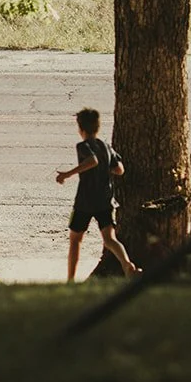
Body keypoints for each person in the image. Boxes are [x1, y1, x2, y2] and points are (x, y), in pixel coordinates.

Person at [55, 107, 137, 282]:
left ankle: (70, 279)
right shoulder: (106, 146)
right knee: (109, 239)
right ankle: (127, 264)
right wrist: (104, 169)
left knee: (75, 240)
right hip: (105, 199)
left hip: (84, 201)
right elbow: (119, 170)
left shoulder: (83, 146)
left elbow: (92, 161)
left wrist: (67, 174)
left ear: (81, 129)